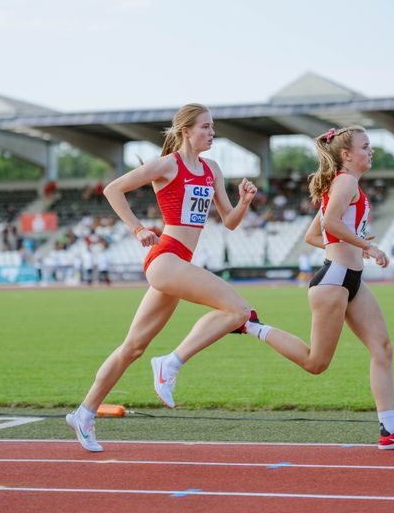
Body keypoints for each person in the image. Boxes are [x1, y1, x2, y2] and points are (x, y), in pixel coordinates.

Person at [66, 103, 258, 452]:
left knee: (133, 347)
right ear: (186, 130)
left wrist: (244, 202)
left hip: (180, 262)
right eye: (205, 127)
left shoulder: (212, 169)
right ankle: (171, 362)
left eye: (213, 127)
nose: (212, 133)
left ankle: (83, 413)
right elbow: (113, 189)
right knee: (239, 310)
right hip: (165, 258)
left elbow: (229, 221)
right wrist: (138, 229)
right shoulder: (168, 165)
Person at [237, 125, 393, 449]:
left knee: (382, 347)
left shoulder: (346, 184)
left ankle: (388, 429)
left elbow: (314, 234)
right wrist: (367, 245)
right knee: (315, 363)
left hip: (351, 280)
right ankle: (252, 326)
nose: (371, 151)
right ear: (346, 155)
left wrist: (354, 246)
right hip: (334, 280)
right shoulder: (346, 181)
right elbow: (331, 224)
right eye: (366, 146)